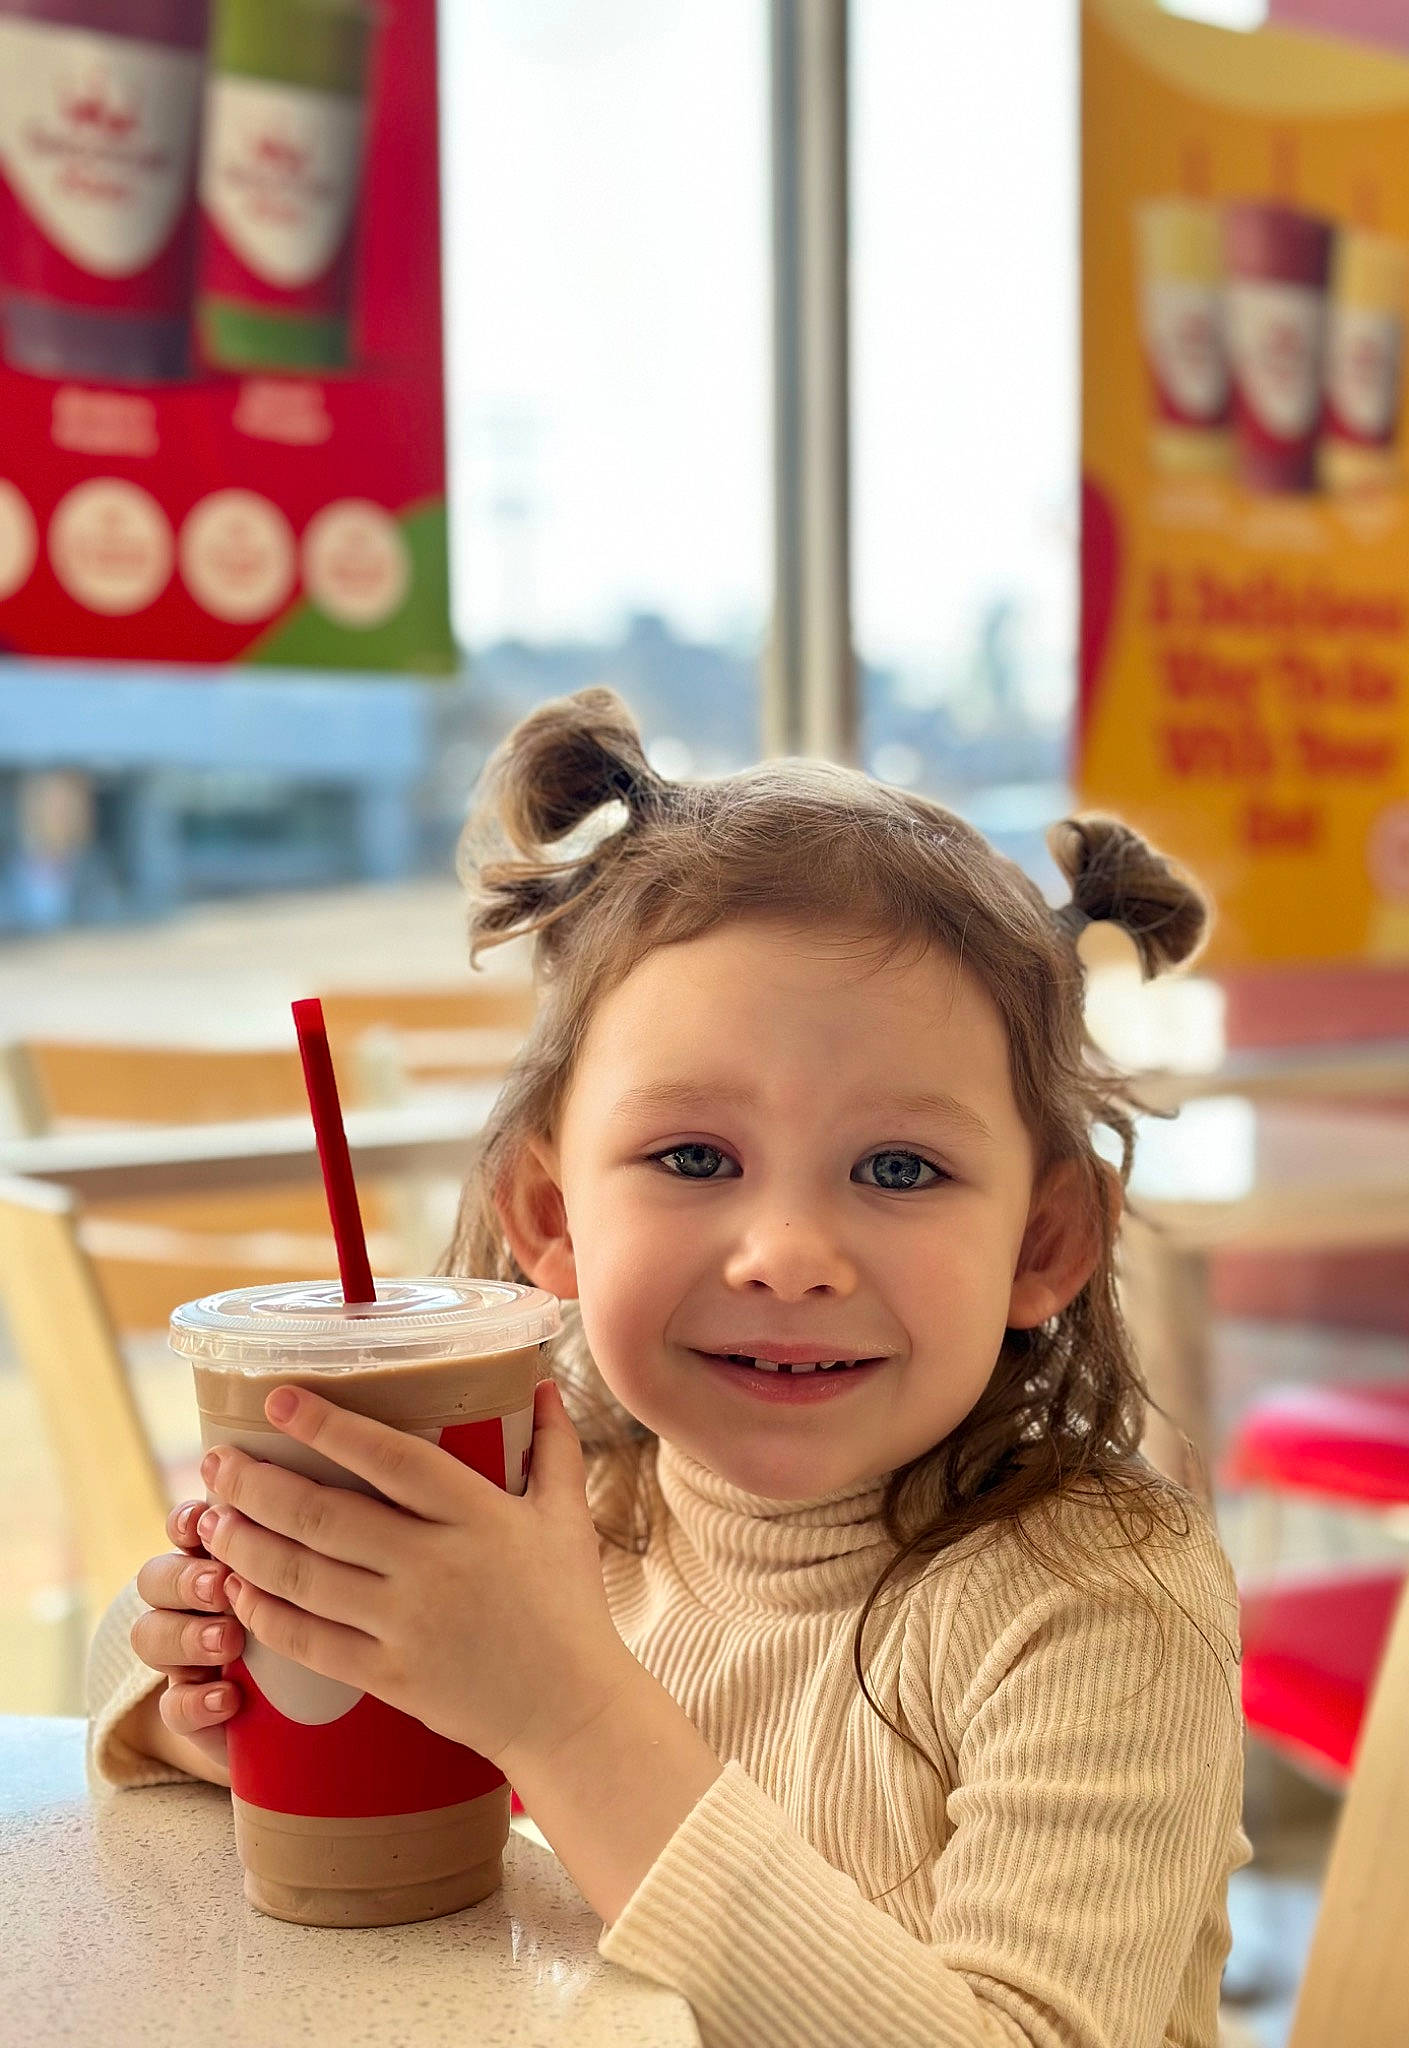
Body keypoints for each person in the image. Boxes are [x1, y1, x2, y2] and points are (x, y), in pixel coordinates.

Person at [86, 687, 1250, 2047]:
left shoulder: (1099, 1606)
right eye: (695, 1157)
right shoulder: (560, 1520)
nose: (788, 1256)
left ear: (1042, 1244)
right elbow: (110, 1673)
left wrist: (565, 1717)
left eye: (899, 1169)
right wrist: (211, 1703)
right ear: (552, 1219)